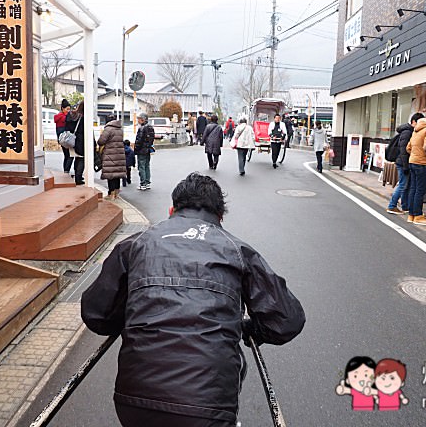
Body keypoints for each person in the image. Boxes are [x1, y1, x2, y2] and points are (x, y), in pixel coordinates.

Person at [81, 173, 305, 427]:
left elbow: (96, 314)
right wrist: (250, 328)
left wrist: (134, 312)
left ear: (171, 210)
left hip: (133, 402)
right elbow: (287, 321)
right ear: (221, 217)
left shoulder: (136, 244)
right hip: (209, 409)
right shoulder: (237, 250)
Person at [386, 113, 425, 215]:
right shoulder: (407, 132)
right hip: (403, 162)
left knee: (405, 185)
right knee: (403, 185)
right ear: (413, 122)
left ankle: (404, 206)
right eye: (419, 123)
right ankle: (392, 205)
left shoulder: (409, 131)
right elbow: (403, 150)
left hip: (404, 162)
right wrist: (405, 166)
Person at [97, 115, 125, 199]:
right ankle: (116, 192)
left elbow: (101, 141)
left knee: (110, 174)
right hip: (119, 154)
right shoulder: (120, 129)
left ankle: (111, 193)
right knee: (117, 174)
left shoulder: (108, 129)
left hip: (110, 154)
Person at [64, 100, 85, 185]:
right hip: (80, 140)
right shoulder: (84, 117)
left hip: (71, 140)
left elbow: (66, 126)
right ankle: (78, 178)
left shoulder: (71, 114)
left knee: (74, 157)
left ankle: (76, 175)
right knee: (81, 159)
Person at [134, 112, 155, 190]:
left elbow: (139, 141)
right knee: (147, 166)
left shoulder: (142, 128)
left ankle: (143, 183)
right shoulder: (150, 127)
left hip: (141, 150)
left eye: (139, 119)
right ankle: (147, 182)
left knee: (141, 167)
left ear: (142, 120)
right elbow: (152, 139)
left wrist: (136, 149)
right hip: (148, 150)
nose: (138, 120)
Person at [54, 100, 73, 175]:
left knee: (66, 155)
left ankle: (66, 171)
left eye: (69, 109)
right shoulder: (64, 117)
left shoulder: (58, 116)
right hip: (66, 139)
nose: (68, 111)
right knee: (70, 156)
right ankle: (66, 171)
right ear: (62, 108)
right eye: (67, 109)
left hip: (61, 139)